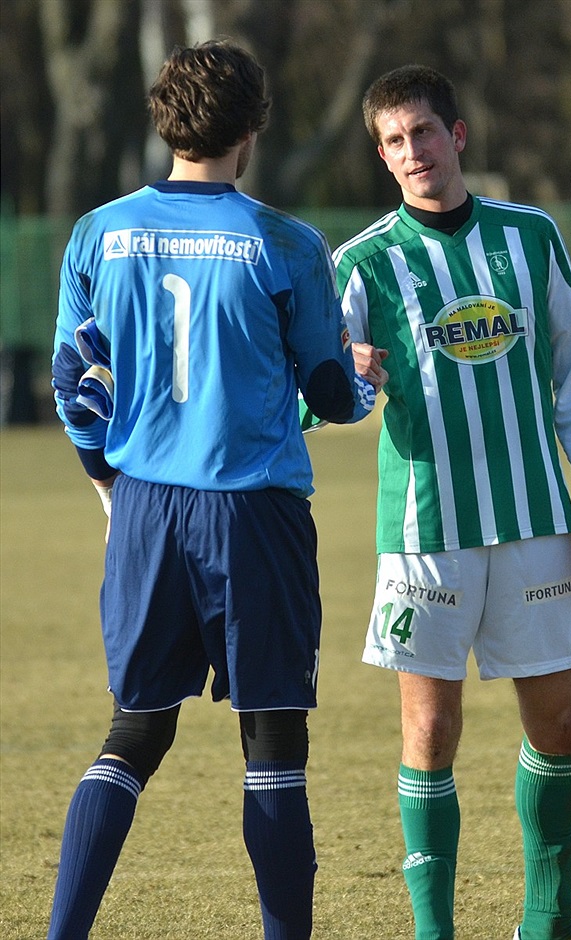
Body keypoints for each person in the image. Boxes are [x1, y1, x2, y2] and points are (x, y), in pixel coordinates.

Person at [48, 39, 386, 940]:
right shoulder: (285, 242)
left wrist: (105, 481)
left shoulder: (98, 232)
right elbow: (325, 392)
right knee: (274, 745)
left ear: (163, 120)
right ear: (254, 126)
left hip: (149, 507)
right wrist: (366, 382)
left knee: (134, 734)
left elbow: (73, 384)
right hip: (255, 513)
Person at [334, 65, 571, 940]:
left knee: (561, 723)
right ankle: (435, 933)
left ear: (456, 137)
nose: (411, 151)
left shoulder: (530, 238)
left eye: (423, 132)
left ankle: (548, 922)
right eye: (394, 140)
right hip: (426, 532)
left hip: (537, 521)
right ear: (383, 158)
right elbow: (311, 393)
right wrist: (343, 376)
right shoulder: (363, 262)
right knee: (432, 729)